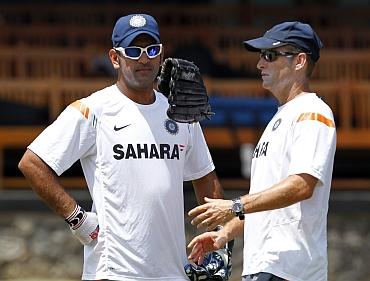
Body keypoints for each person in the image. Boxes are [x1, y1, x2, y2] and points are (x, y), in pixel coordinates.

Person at [18, 13, 224, 281]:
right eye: (134, 51)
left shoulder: (180, 112)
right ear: (115, 58)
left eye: (151, 50)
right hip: (114, 271)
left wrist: (221, 239)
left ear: (161, 55)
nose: (144, 58)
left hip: (173, 272)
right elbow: (32, 163)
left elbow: (206, 180)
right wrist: (78, 218)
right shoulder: (94, 109)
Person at [187, 21, 336, 281]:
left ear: (299, 61)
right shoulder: (281, 117)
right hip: (267, 266)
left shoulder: (313, 113)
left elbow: (302, 185)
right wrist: (227, 232)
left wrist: (234, 206)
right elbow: (269, 201)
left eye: (270, 55)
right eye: (261, 56)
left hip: (291, 269)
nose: (260, 64)